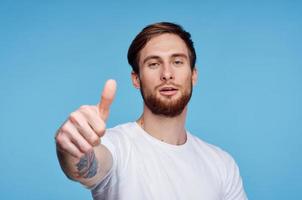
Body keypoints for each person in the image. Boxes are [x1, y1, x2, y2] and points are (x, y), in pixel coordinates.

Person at [55, 22, 247, 200]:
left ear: (193, 75)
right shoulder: (116, 146)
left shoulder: (222, 164)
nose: (167, 74)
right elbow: (87, 166)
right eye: (153, 64)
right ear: (136, 79)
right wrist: (72, 146)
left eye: (178, 62)